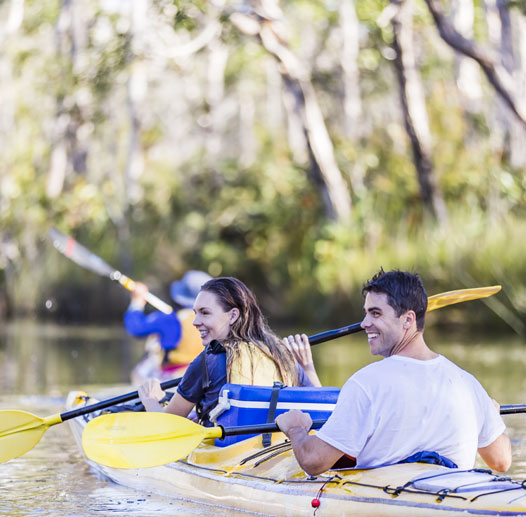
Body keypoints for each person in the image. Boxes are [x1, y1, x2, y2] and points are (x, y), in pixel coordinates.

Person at [276, 269, 512, 475]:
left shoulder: (366, 383)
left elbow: (314, 462)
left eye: (375, 313)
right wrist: (490, 415)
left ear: (408, 319)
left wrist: (296, 429)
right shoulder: (468, 384)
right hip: (456, 502)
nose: (364, 323)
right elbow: (501, 461)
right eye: (366, 312)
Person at [138, 276, 321, 426]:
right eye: (195, 312)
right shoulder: (281, 354)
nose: (195, 321)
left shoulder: (208, 361)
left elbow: (166, 427)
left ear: (233, 315)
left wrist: (150, 400)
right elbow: (322, 408)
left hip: (226, 457)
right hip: (273, 454)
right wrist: (307, 367)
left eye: (205, 313)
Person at [124, 270, 212, 379]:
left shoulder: (170, 319)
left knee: (140, 371)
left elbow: (135, 328)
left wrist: (136, 302)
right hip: (205, 376)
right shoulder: (215, 321)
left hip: (173, 379)